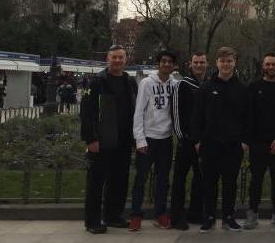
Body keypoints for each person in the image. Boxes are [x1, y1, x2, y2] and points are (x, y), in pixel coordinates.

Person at [191, 47, 249, 233]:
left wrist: (244, 141)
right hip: (210, 144)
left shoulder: (242, 88)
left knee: (230, 183)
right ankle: (209, 216)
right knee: (209, 183)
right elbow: (197, 117)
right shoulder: (206, 88)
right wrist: (198, 141)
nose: (226, 64)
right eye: (223, 61)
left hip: (233, 146)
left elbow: (248, 118)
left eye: (229, 61)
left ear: (234, 63)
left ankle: (228, 217)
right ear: (217, 63)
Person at [81, 45, 138, 234]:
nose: (118, 61)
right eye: (114, 57)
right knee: (97, 182)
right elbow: (87, 113)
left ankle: (113, 216)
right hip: (102, 138)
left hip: (123, 139)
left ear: (126, 59)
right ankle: (92, 221)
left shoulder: (129, 81)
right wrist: (91, 139)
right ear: (108, 58)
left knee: (119, 180)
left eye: (121, 57)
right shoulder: (97, 81)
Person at [242, 53, 275, 229]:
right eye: (268, 64)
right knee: (256, 180)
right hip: (258, 143)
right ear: (263, 66)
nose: (271, 67)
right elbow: (250, 115)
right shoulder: (254, 87)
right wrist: (248, 141)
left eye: (274, 64)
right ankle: (252, 212)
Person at [130, 50, 178, 231]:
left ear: (174, 65)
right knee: (140, 179)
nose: (166, 64)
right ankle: (135, 214)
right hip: (148, 139)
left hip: (165, 139)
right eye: (163, 61)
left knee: (163, 180)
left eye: (170, 61)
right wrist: (140, 139)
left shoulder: (176, 84)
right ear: (158, 64)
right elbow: (139, 111)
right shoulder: (146, 83)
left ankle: (160, 214)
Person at [171, 52, 208, 230]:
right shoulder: (182, 84)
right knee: (180, 179)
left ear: (207, 64)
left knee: (200, 179)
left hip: (202, 142)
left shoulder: (208, 85)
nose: (199, 65)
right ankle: (177, 216)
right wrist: (182, 137)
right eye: (196, 62)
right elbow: (176, 114)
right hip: (186, 141)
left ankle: (195, 212)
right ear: (190, 64)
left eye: (202, 62)